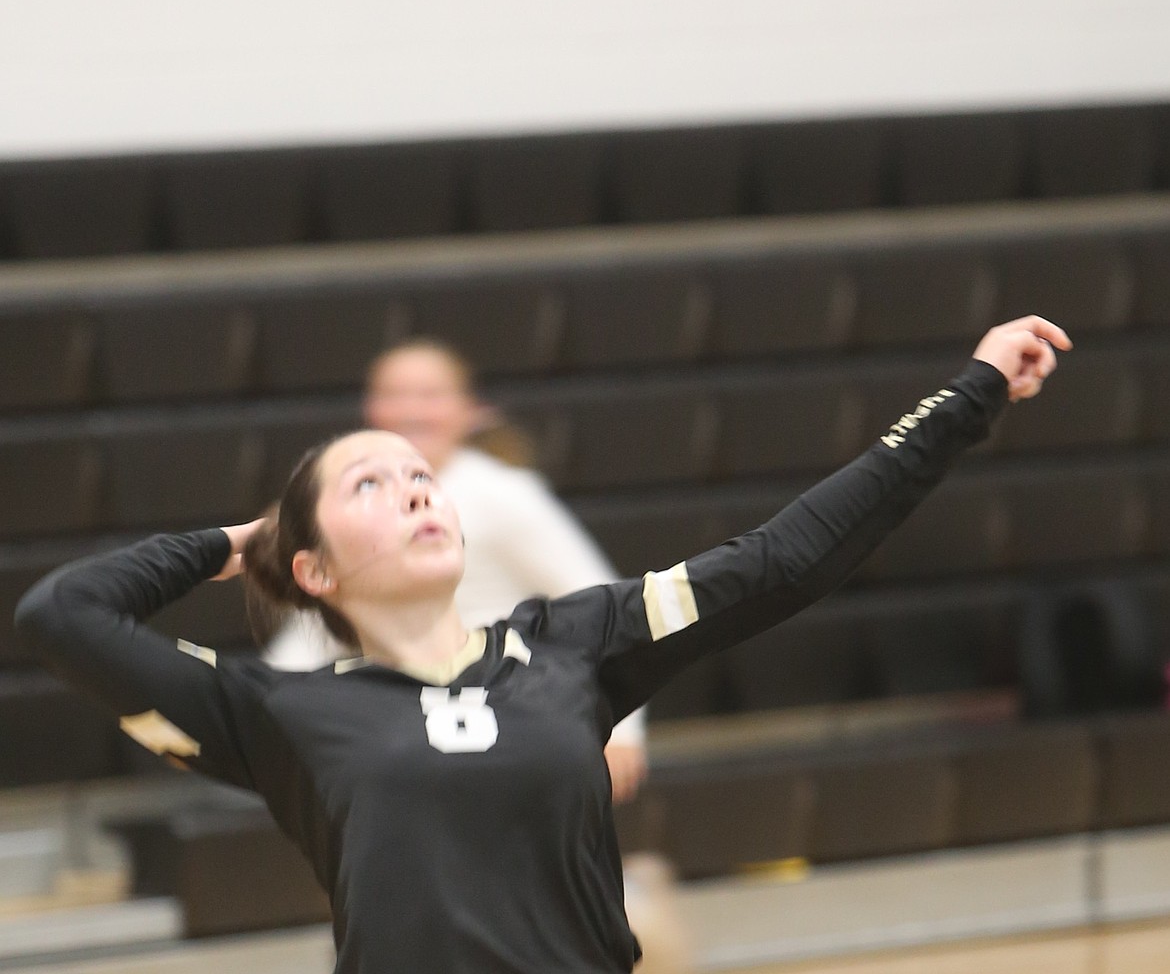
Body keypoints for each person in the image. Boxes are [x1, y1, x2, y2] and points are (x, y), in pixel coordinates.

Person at [15, 316, 1069, 974]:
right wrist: (234, 542)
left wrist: (965, 397)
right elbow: (64, 616)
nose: (414, 482)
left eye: (419, 472)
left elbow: (786, 557)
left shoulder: (574, 643)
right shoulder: (280, 710)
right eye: (367, 483)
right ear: (315, 570)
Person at [266, 337, 648, 800]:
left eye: (430, 395)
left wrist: (623, 729)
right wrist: (260, 712)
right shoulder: (351, 511)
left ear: (471, 410)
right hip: (400, 719)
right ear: (370, 410)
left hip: (506, 706)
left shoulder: (505, 494)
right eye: (394, 395)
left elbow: (603, 601)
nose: (411, 410)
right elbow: (325, 624)